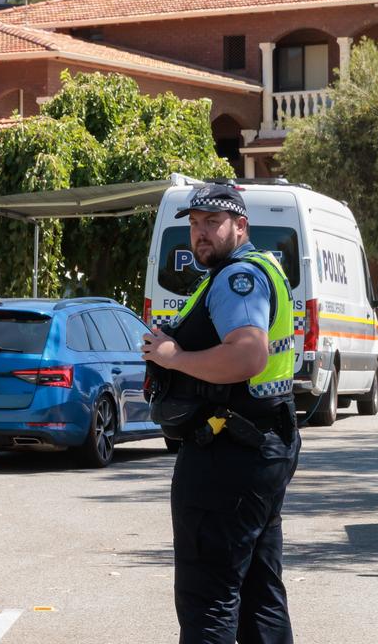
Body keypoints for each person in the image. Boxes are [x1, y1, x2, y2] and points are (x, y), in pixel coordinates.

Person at [142, 183, 300, 644]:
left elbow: (247, 355)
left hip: (228, 455)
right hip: (260, 445)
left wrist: (174, 357)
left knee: (208, 600)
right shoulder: (261, 268)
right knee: (260, 595)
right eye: (194, 224)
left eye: (212, 222)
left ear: (240, 226)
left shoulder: (237, 278)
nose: (200, 233)